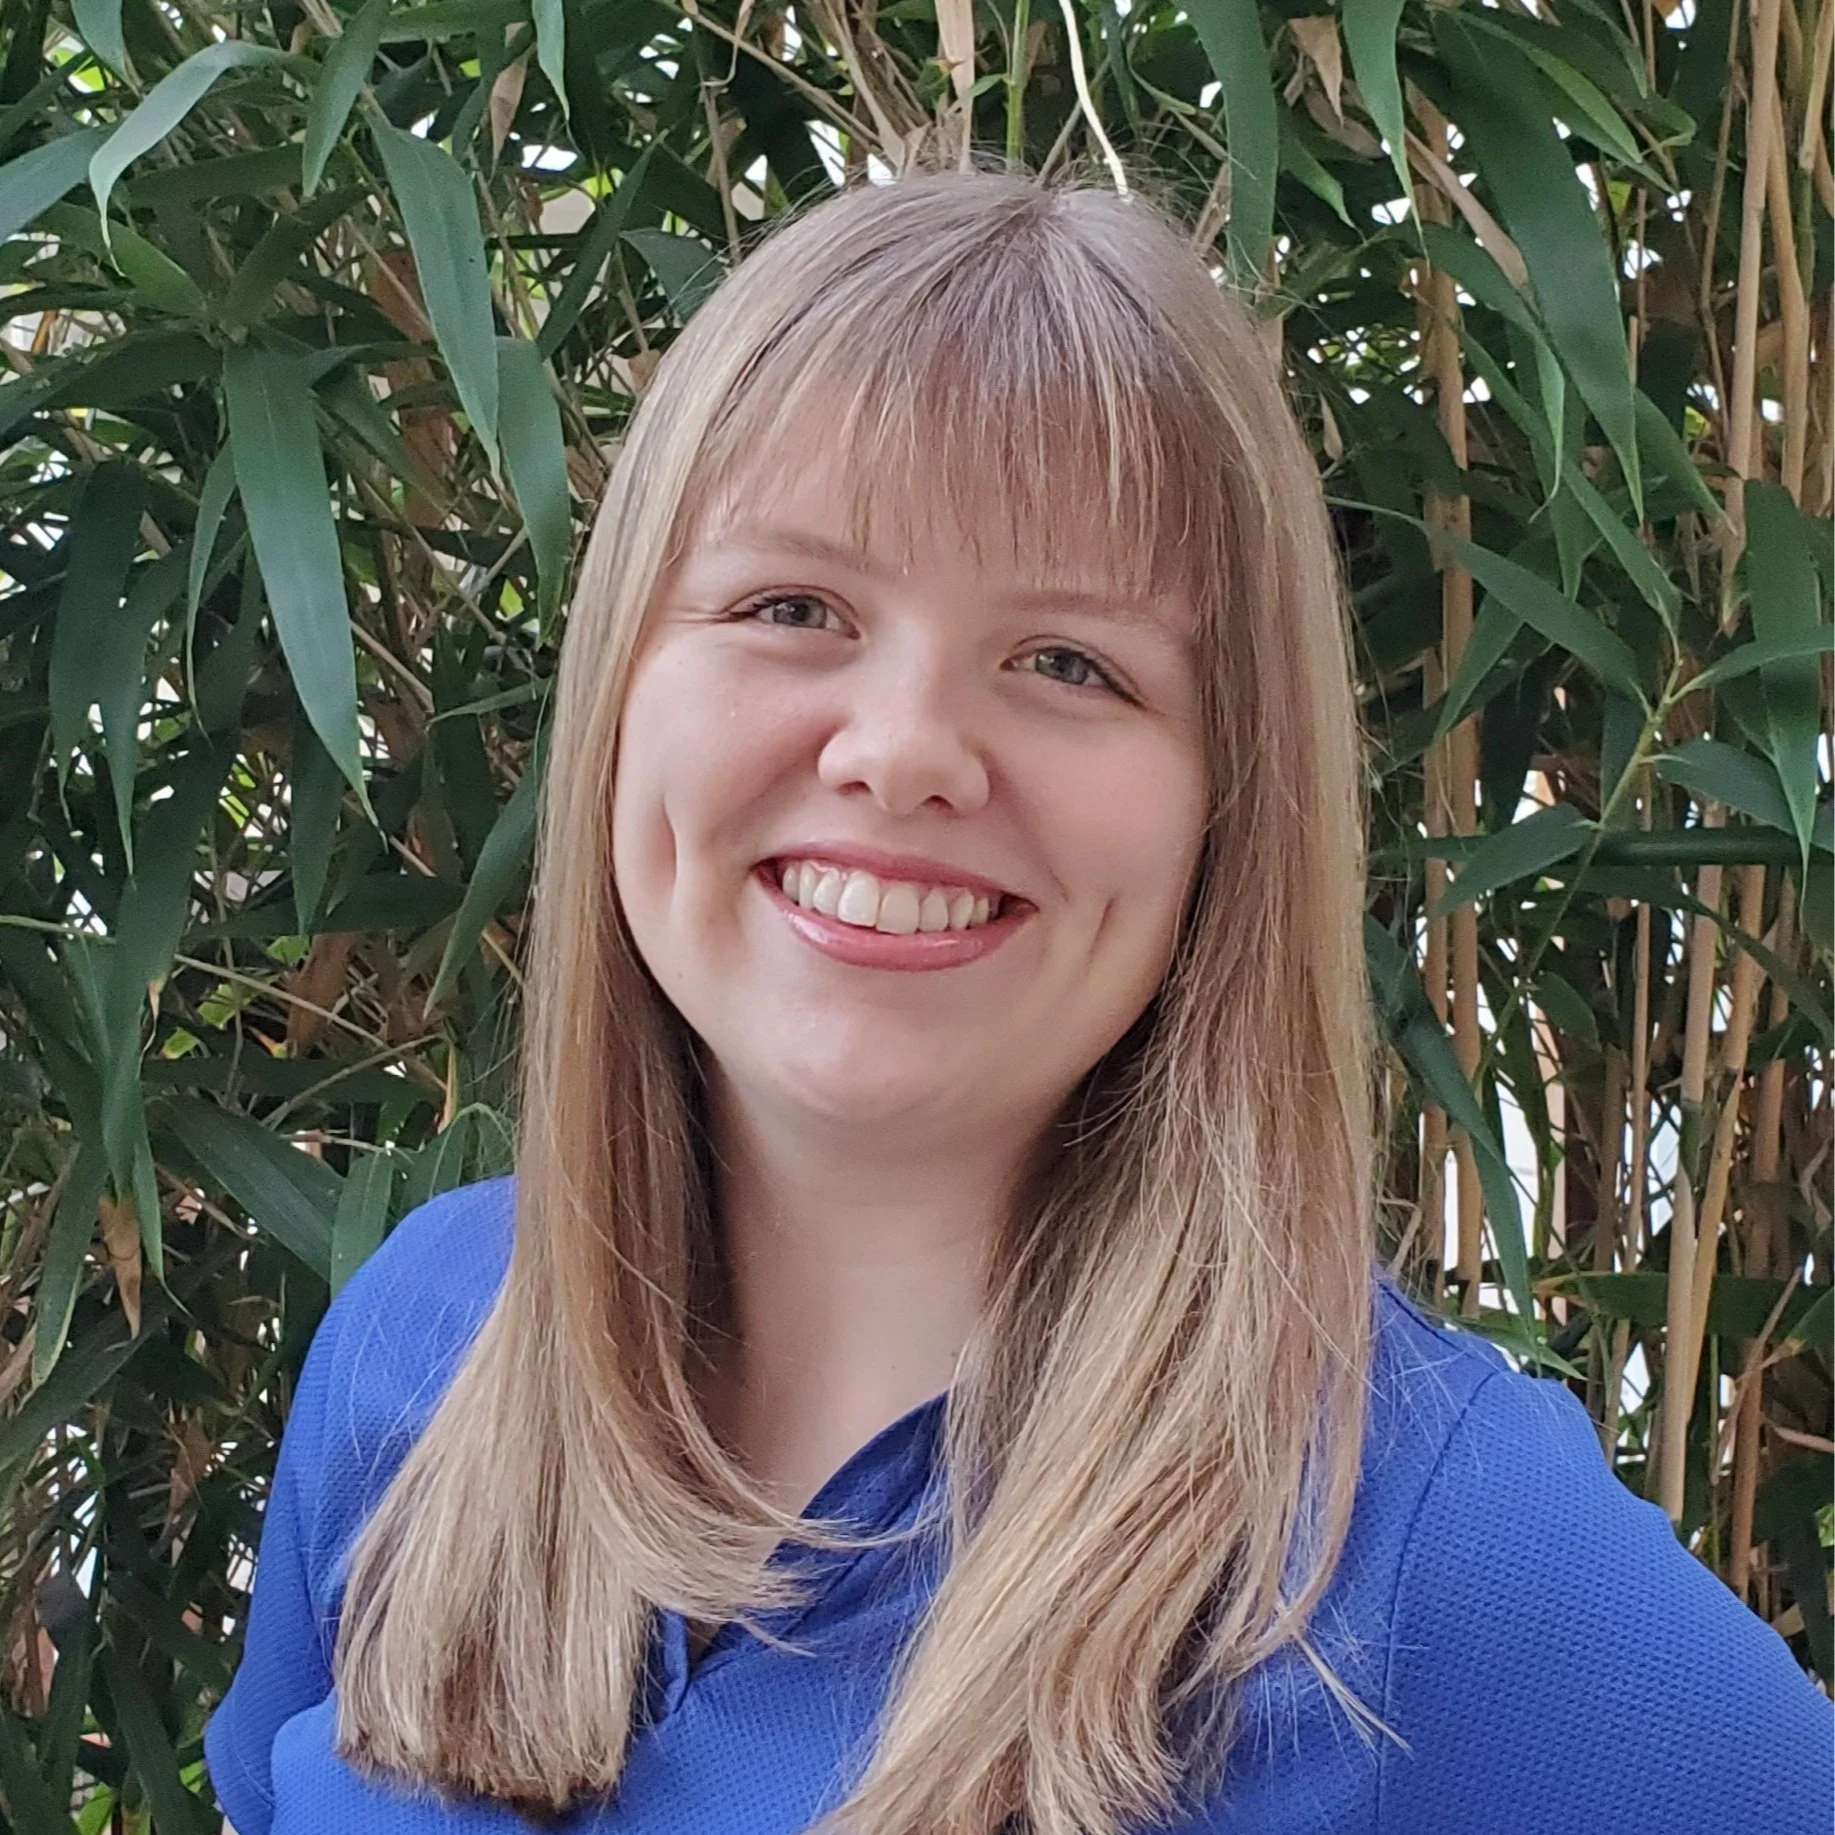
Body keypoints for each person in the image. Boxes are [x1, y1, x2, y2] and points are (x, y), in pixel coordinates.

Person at [204, 167, 1831, 1835]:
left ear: (1224, 805)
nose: (902, 749)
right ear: (620, 678)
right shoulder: (427, 1342)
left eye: (1068, 662)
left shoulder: (1421, 1560)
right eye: (791, 607)